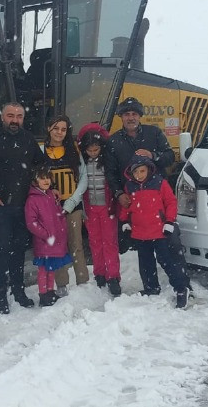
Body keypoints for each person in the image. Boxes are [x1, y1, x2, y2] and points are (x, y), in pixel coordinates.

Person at [0, 102, 45, 314]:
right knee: (2, 250)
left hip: (23, 205)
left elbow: (40, 164)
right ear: (2, 116)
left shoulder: (27, 139)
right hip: (0, 206)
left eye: (19, 116)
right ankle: (0, 294)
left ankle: (18, 290)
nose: (15, 120)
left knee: (18, 250)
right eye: (10, 115)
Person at [104, 97, 175, 255]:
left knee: (166, 250)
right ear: (121, 117)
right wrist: (119, 193)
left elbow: (170, 157)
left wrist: (153, 155)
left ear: (140, 115)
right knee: (140, 252)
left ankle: (174, 277)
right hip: (133, 204)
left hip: (157, 203)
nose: (131, 117)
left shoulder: (154, 133)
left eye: (134, 113)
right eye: (127, 114)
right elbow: (110, 172)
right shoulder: (114, 141)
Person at [118, 155, 190, 308]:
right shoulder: (130, 186)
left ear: (149, 169)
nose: (139, 175)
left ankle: (181, 288)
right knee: (145, 263)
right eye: (136, 172)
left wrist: (169, 221)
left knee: (167, 262)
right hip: (140, 232)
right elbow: (127, 205)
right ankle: (151, 288)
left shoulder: (160, 183)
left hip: (159, 231)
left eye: (142, 171)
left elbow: (171, 202)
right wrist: (124, 220)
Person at [42, 115, 89, 297]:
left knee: (76, 244)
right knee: (57, 245)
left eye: (63, 129)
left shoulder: (74, 149)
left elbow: (83, 177)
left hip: (73, 204)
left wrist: (73, 201)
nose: (59, 132)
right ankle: (61, 283)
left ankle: (83, 281)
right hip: (51, 207)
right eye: (56, 128)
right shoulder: (41, 150)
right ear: (48, 129)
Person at [77, 123, 121, 297]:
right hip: (90, 207)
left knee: (109, 242)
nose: (93, 153)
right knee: (95, 242)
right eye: (90, 150)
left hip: (106, 207)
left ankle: (113, 276)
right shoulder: (82, 163)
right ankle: (100, 273)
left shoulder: (108, 162)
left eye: (96, 150)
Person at [24, 165, 72, 307]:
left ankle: (50, 291)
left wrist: (61, 227)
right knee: (43, 270)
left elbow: (57, 214)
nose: (46, 181)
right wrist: (45, 234)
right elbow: (31, 222)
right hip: (44, 242)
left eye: (47, 178)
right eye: (42, 178)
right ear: (35, 181)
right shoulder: (32, 200)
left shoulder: (51, 195)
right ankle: (43, 293)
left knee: (52, 269)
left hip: (54, 240)